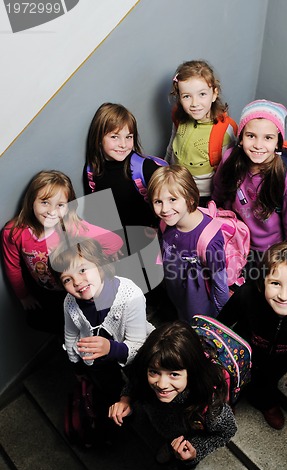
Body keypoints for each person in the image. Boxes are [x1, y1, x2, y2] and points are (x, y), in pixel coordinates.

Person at [217, 241, 287, 430]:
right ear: (263, 281)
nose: (284, 296)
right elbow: (221, 323)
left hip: (278, 362)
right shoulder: (247, 294)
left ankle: (265, 403)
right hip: (239, 354)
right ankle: (226, 403)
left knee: (266, 384)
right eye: (275, 283)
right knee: (228, 382)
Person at [109, 321, 237, 470]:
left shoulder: (210, 405)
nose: (161, 384)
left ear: (191, 373)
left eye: (174, 374)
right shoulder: (145, 372)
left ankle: (184, 467)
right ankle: (170, 446)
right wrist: (125, 398)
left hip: (189, 439)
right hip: (166, 428)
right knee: (170, 441)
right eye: (154, 372)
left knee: (183, 457)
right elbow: (135, 382)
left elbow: (227, 432)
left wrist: (194, 452)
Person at [50, 237, 154, 434]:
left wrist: (110, 348)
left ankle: (140, 408)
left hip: (131, 355)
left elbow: (138, 345)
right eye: (67, 279)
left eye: (82, 270)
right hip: (96, 363)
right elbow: (70, 336)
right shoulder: (69, 303)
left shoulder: (129, 294)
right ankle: (121, 417)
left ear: (100, 265)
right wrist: (77, 365)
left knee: (140, 385)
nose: (77, 282)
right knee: (110, 388)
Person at [1, 170, 123, 334]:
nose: (52, 211)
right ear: (31, 201)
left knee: (89, 326)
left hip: (77, 289)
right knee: (60, 327)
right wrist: (23, 296)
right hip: (46, 292)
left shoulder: (71, 227)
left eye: (60, 205)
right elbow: (13, 267)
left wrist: (98, 260)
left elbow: (114, 242)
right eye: (45, 202)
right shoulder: (14, 231)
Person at [212, 99, 287, 278]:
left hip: (266, 248)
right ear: (241, 138)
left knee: (259, 285)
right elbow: (219, 190)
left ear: (278, 142)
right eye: (251, 136)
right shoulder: (230, 157)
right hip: (232, 235)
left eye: (268, 138)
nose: (258, 145)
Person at [147, 164, 229, 323]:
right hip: (177, 296)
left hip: (199, 311)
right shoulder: (166, 223)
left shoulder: (209, 240)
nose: (165, 209)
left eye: (172, 199)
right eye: (158, 201)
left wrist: (220, 322)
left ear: (190, 197)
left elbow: (220, 286)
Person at [83, 102, 164, 254]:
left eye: (129, 137)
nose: (123, 144)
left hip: (153, 244)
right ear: (99, 138)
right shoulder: (92, 170)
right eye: (115, 137)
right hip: (120, 247)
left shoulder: (145, 168)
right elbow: (94, 212)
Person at [164, 60, 237, 205]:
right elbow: (172, 146)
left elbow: (228, 173)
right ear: (178, 96)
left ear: (214, 94)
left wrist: (219, 202)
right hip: (175, 185)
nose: (194, 103)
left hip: (203, 196)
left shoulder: (225, 130)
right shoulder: (179, 116)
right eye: (186, 96)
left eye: (202, 94)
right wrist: (164, 170)